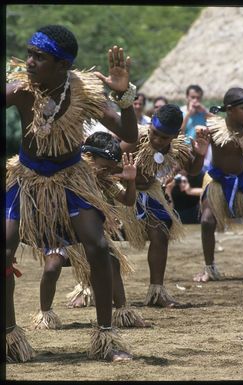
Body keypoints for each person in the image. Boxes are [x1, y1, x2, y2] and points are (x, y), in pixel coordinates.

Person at [6, 24, 138, 362]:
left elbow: (129, 135)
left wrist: (124, 98)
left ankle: (107, 338)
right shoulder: (22, 89)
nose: (30, 62)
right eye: (30, 54)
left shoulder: (84, 93)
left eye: (40, 57)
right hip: (27, 176)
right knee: (4, 249)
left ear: (63, 65)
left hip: (71, 177)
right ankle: (9, 337)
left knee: (96, 246)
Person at [33, 132, 147, 329]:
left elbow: (127, 200)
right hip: (60, 232)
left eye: (111, 168)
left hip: (89, 233)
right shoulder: (65, 172)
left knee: (112, 261)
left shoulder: (104, 179)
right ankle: (45, 314)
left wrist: (131, 181)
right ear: (89, 157)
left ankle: (123, 312)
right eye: (105, 166)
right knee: (52, 268)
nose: (108, 171)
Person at [119, 104, 210, 308]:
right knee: (100, 240)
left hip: (150, 193)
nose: (157, 140)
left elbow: (193, 170)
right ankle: (87, 288)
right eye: (155, 134)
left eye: (164, 138)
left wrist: (201, 154)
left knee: (160, 233)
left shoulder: (176, 146)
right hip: (120, 191)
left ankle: (157, 292)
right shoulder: (135, 138)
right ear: (150, 124)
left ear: (175, 135)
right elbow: (109, 162)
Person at [193, 87, 243, 282]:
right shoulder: (213, 128)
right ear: (230, 109)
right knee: (207, 221)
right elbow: (198, 152)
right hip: (217, 181)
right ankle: (209, 268)